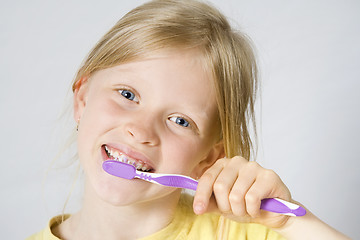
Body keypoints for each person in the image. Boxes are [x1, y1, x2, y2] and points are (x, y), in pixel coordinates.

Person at [28, 0, 350, 239]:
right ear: (82, 100)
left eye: (180, 121)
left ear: (208, 158)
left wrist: (291, 222)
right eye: (127, 95)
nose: (140, 131)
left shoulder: (241, 234)